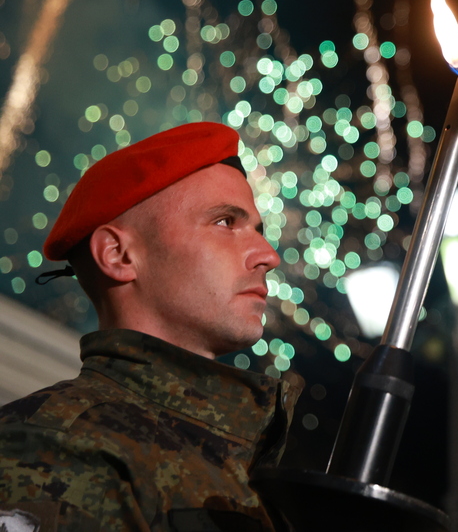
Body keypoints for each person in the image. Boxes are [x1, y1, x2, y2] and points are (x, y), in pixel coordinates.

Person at [0, 123, 294, 532]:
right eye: (225, 222)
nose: (267, 255)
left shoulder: (241, 468)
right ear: (118, 254)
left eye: (259, 231)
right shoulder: (55, 448)